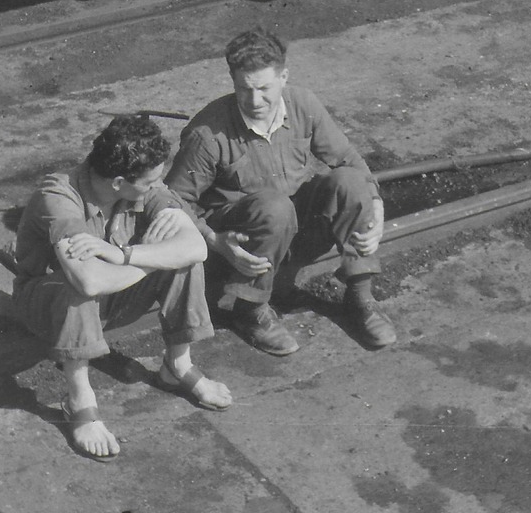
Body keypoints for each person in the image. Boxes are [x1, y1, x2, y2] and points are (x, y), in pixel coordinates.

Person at [11, 115, 232, 460]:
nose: (157, 186)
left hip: (111, 296)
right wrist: (151, 259)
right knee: (77, 287)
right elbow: (89, 280)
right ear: (118, 182)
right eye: (150, 181)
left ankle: (178, 365)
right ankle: (79, 400)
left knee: (184, 262)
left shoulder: (143, 186)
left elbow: (196, 248)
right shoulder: (58, 197)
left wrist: (123, 254)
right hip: (48, 307)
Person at [165, 28, 396, 356]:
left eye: (264, 89)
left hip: (292, 228)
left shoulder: (304, 105)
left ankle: (360, 297)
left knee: (351, 183)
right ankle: (249, 310)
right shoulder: (208, 134)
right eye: (244, 89)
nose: (255, 101)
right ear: (233, 82)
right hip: (243, 242)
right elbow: (173, 199)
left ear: (284, 77)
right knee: (274, 206)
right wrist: (217, 243)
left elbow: (351, 162)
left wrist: (377, 208)